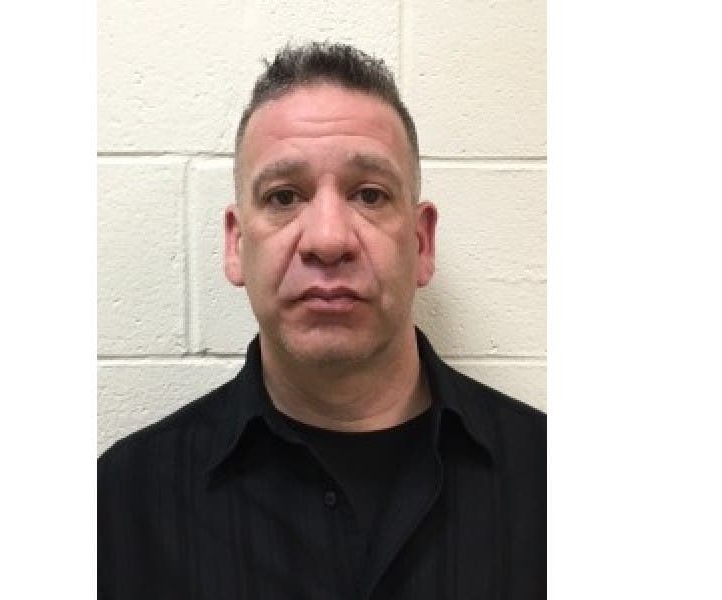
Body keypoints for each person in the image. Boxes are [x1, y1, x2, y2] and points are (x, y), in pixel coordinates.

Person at [98, 42, 545, 599]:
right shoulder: (122, 506)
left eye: (370, 195)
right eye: (284, 197)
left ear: (422, 242)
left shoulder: (546, 477)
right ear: (236, 245)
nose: (328, 239)